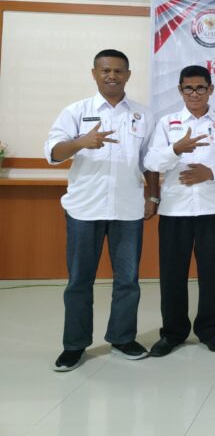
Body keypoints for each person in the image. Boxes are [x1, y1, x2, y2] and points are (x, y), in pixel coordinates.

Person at [45, 49, 157, 371]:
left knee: (128, 280)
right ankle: (74, 345)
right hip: (85, 209)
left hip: (127, 209)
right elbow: (53, 152)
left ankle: (122, 338)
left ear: (128, 75)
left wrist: (153, 197)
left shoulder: (143, 115)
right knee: (79, 281)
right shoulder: (76, 111)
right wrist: (80, 142)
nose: (112, 76)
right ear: (94, 74)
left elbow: (149, 161)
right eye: (105, 70)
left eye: (118, 71)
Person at [144, 65, 215, 357]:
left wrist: (210, 173)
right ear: (180, 90)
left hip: (213, 209)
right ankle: (172, 333)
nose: (195, 93)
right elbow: (151, 162)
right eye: (188, 88)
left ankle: (211, 330)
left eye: (201, 87)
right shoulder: (168, 123)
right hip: (175, 210)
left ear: (210, 89)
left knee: (213, 273)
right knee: (172, 275)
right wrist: (175, 149)